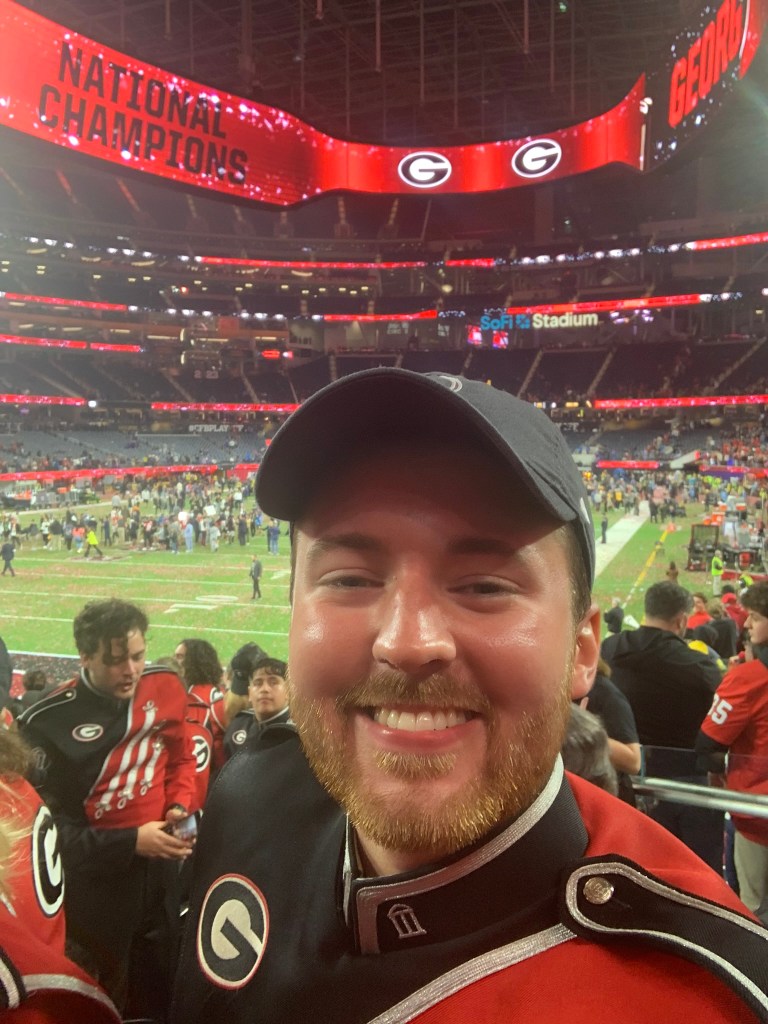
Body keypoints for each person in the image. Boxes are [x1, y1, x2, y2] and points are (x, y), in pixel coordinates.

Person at [172, 369, 768, 1024]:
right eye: (348, 579)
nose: (406, 642)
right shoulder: (248, 796)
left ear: (582, 651)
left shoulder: (710, 999)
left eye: (484, 585)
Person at [20, 598, 199, 1020]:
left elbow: (182, 759)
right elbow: (48, 836)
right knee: (107, 996)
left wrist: (179, 804)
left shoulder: (164, 685)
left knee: (163, 980)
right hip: (97, 891)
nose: (132, 670)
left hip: (159, 877)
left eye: (138, 656)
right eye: (116, 661)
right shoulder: (44, 724)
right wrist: (131, 841)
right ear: (84, 656)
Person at [601, 580, 724, 870]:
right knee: (694, 873)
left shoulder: (609, 648)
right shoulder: (699, 666)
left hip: (621, 780)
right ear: (682, 620)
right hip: (684, 781)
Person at [697, 581, 768, 919]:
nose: (747, 624)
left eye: (755, 616)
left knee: (752, 908)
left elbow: (708, 743)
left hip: (757, 814)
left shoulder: (749, 679)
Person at [223, 656, 290, 759]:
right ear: (250, 693)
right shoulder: (239, 725)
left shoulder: (301, 733)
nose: (264, 689)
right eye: (258, 683)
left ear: (289, 692)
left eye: (273, 682)